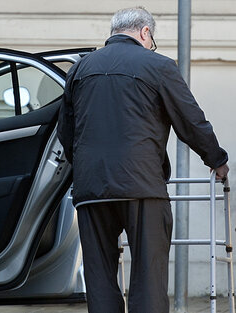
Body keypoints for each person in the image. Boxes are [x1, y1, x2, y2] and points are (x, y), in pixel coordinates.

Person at [58, 7, 229, 313]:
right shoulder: (158, 65)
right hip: (142, 187)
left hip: (91, 190)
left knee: (100, 278)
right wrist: (216, 160)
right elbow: (190, 120)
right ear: (145, 32)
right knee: (148, 277)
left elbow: (65, 131)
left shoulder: (80, 70)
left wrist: (84, 168)